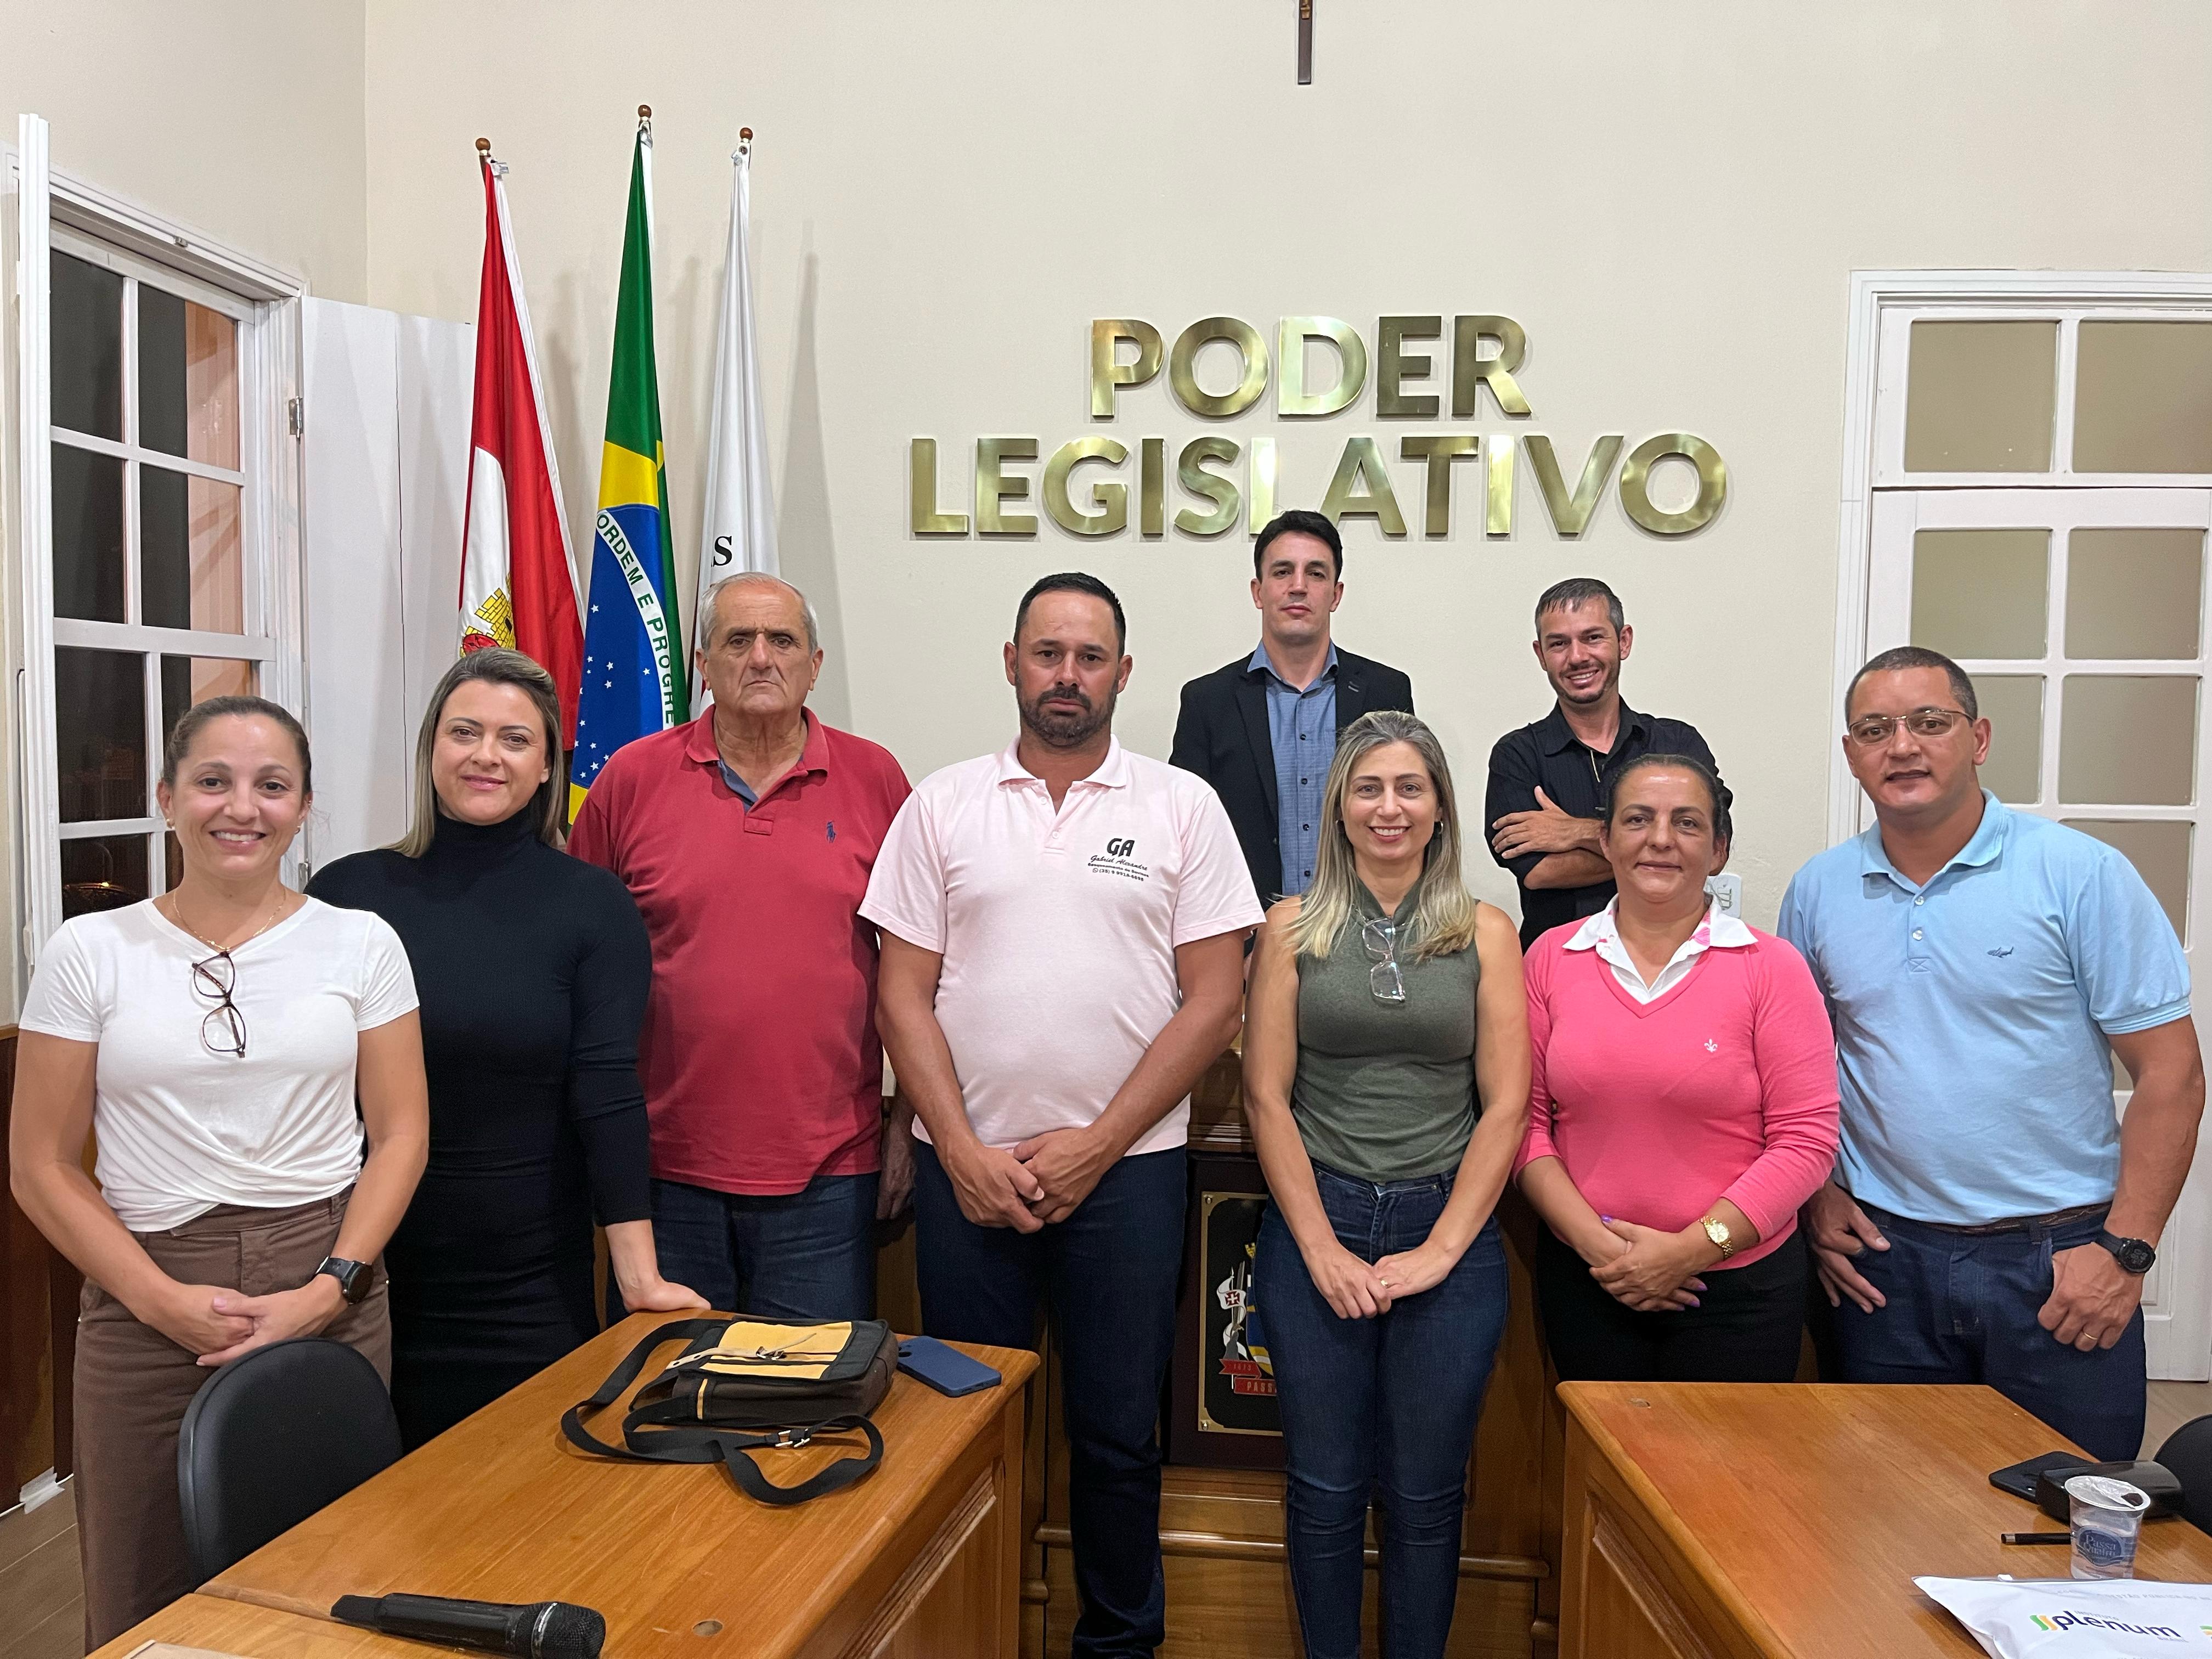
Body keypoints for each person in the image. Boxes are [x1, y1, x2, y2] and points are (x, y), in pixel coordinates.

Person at [864, 572, 1261, 1657]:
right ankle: (963, 1629)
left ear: (1124, 675)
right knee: (964, 1427)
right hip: (967, 1176)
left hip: (1129, 1178)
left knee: (1118, 1434)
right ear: (1011, 662)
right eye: (1049, 654)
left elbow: (1216, 997)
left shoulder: (1181, 808)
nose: (1068, 676)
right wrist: (958, 1147)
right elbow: (901, 991)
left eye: (1091, 658)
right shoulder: (942, 804)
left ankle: (1120, 1644)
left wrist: (1099, 1143)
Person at [8, 697, 428, 1647]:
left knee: (328, 1579)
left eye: (272, 784)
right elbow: (39, 1162)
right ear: (167, 796)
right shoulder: (92, 950)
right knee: (141, 1593)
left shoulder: (360, 942)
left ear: (304, 805)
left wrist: (333, 1286)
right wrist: (158, 1297)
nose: (242, 806)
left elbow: (400, 1134)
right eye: (213, 779)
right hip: (145, 1288)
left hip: (329, 1275)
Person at [1779, 646, 2204, 1460]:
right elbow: (1801, 1071)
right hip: (1883, 1269)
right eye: (1875, 729)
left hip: (2058, 1263)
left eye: (1928, 723)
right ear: (1851, 755)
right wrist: (1819, 1196)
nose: (1901, 746)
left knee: (2070, 1524)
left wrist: (2125, 1252)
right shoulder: (1818, 892)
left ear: (1977, 738)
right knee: (1887, 1522)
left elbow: (2173, 1077)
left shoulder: (2079, 876)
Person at [309, 650, 703, 1448]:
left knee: (526, 1520)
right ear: (431, 749)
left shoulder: (593, 905)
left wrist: (638, 1273)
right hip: (365, 1276)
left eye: (514, 739)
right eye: (466, 732)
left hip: (526, 1285)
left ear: (547, 766)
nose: (486, 755)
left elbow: (608, 1092)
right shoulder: (346, 895)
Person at [1242, 710, 1529, 1659]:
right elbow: (1265, 1097)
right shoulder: (1289, 925)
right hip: (1313, 1220)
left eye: (1409, 786)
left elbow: (1505, 1104)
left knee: (1425, 1491)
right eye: (1368, 787)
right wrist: (1322, 1247)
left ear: (1440, 805)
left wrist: (1441, 1247)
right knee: (1324, 1486)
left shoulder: (1486, 930)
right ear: (1339, 806)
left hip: (1445, 1226)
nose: (1389, 806)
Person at [571, 573, 913, 1321]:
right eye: (738, 641)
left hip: (829, 1176)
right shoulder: (630, 780)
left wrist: (908, 1127)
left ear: (815, 664)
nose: (761, 658)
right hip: (660, 1176)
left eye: (782, 640)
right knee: (662, 1413)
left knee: (808, 1422)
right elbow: (573, 963)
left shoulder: (878, 779)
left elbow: (922, 974)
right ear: (703, 664)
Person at [1514, 753, 1839, 1383]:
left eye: (1687, 823)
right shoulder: (1551, 958)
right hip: (1590, 1279)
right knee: (1601, 1477)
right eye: (1638, 819)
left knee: (1724, 1482)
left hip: (1738, 1294)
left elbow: (1807, 1140)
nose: (1660, 839)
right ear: (1605, 841)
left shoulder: (1771, 969)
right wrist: (1601, 1248)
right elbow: (1524, 1128)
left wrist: (1689, 1251)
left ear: (1718, 850)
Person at [1171, 509, 1416, 907]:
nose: (1298, 587)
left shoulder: (1386, 691)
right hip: (1247, 940)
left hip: (1364, 934)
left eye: (1316, 573)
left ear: (1335, 595)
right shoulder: (1207, 702)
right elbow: (1184, 835)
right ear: (1258, 591)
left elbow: (1408, 816)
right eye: (1283, 572)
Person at [1487, 578, 1722, 949]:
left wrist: (1576, 833)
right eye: (1559, 644)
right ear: (1540, 654)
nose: (1577, 657)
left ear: (1623, 641)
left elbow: (1710, 856)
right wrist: (1661, 856)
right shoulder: (1516, 755)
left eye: (1593, 637)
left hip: (1679, 960)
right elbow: (1539, 872)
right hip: (1557, 969)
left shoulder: (1678, 745)